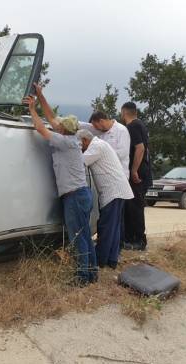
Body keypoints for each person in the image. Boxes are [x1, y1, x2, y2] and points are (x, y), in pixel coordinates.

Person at [23, 93, 97, 286]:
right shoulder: (71, 139)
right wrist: (40, 95)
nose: (57, 124)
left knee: (78, 237)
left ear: (63, 129)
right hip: (81, 195)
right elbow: (50, 118)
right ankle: (91, 273)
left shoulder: (65, 142)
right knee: (85, 236)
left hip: (75, 197)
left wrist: (32, 109)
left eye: (60, 125)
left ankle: (82, 277)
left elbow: (40, 127)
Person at [75, 129, 133, 269]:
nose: (79, 148)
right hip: (117, 190)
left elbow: (80, 162)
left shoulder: (96, 146)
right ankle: (111, 260)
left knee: (106, 226)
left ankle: (100, 259)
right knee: (113, 228)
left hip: (112, 191)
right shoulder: (100, 144)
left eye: (79, 144)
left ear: (84, 140)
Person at [120, 102, 151, 250]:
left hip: (138, 174)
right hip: (141, 171)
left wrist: (133, 170)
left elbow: (140, 148)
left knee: (136, 207)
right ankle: (130, 238)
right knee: (131, 206)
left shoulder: (133, 126)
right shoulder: (141, 125)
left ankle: (139, 240)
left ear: (124, 112)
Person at [78, 111, 131, 177]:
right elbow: (84, 126)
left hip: (119, 174)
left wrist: (103, 155)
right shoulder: (99, 130)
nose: (95, 128)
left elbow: (123, 153)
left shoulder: (121, 130)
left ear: (101, 121)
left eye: (96, 126)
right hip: (104, 175)